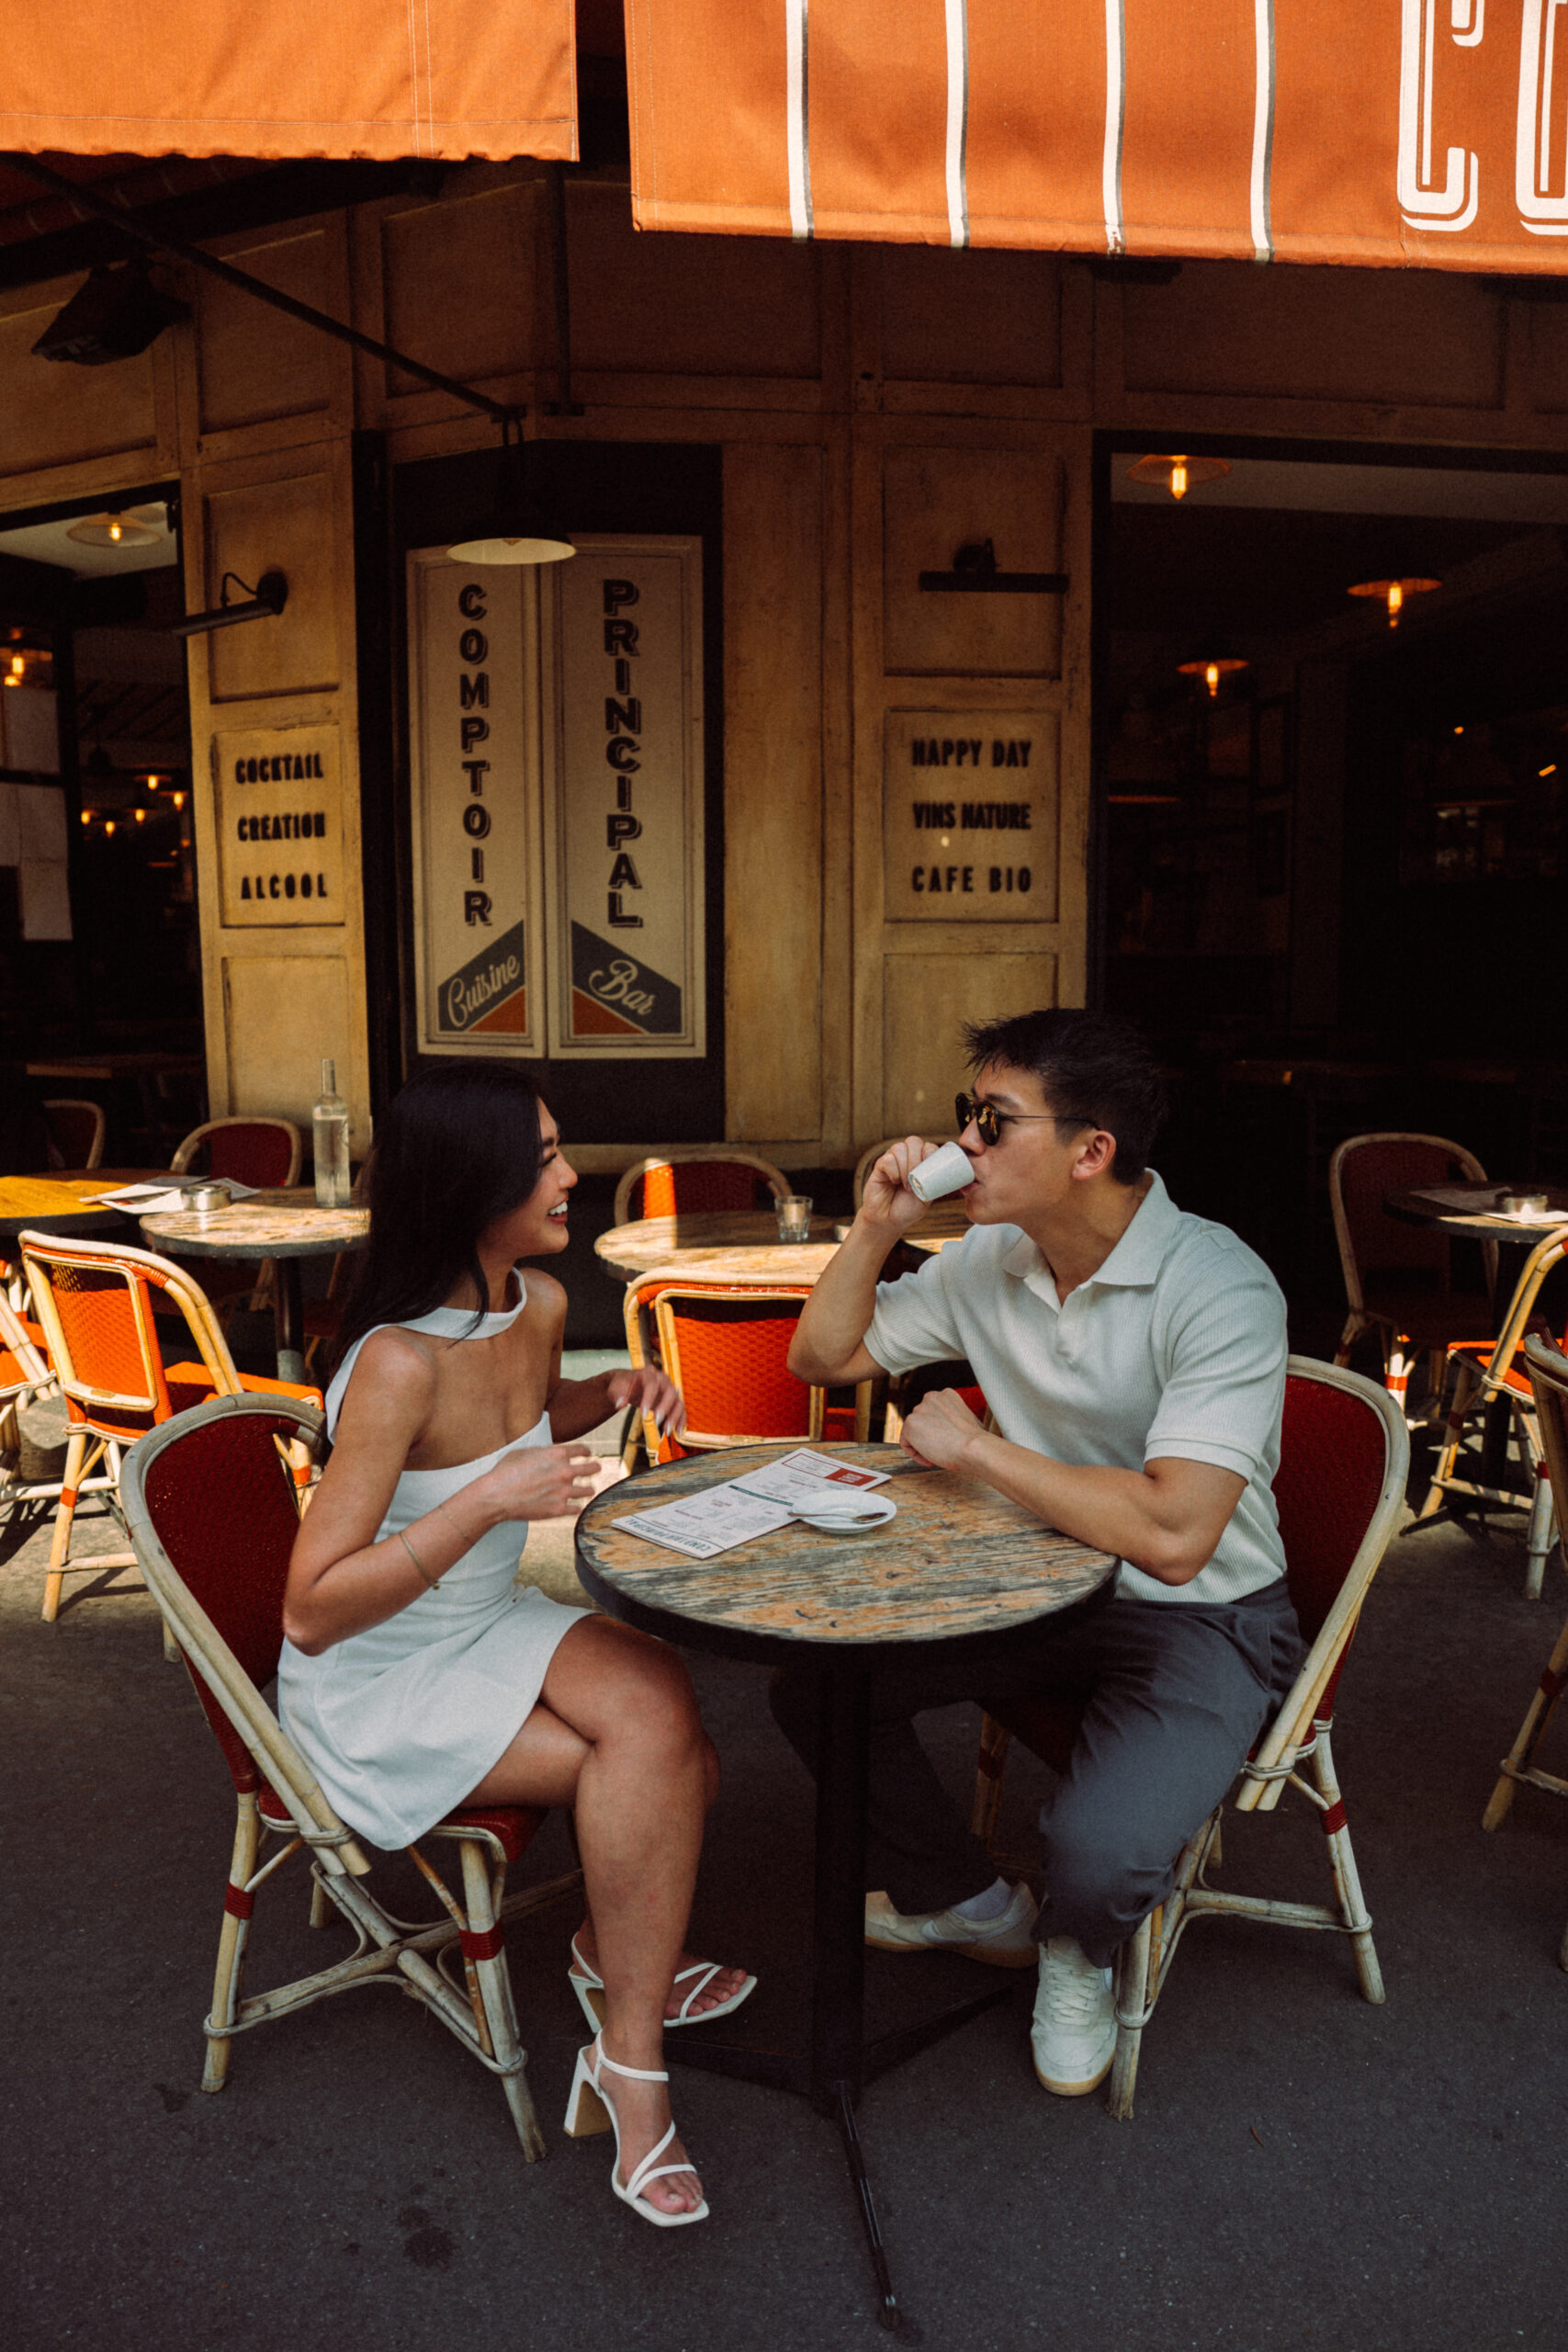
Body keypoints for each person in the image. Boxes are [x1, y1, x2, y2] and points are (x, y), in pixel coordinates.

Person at [773, 1009, 1301, 2098]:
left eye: (992, 1121)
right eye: (968, 1116)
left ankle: (1075, 1948)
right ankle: (968, 1902)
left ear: (1090, 1150)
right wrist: (873, 1228)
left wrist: (977, 1450)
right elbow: (821, 1357)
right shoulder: (991, 1259)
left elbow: (1174, 1533)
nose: (959, 1144)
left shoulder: (1221, 1284)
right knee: (816, 1684)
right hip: (1035, 1581)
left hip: (1206, 1608)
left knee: (1096, 1857)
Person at [280, 1061, 752, 2227]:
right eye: (543, 1157)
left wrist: (619, 1386)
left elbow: (529, 1415)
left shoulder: (535, 1305)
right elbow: (311, 1608)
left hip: (484, 1621)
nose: (572, 1173)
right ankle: (633, 2067)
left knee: (665, 1702)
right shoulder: (395, 1361)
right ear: (468, 1183)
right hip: (378, 1669)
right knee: (659, 1760)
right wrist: (491, 1502)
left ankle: (614, 1949)